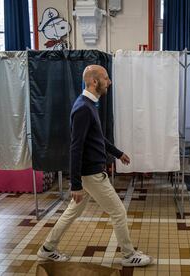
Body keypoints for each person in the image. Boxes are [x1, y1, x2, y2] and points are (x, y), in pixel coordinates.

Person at [37, 65, 152, 267]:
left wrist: (118, 154)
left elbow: (97, 138)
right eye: (106, 78)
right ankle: (128, 255)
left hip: (89, 174)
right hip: (91, 174)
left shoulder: (89, 105)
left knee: (73, 212)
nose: (109, 82)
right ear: (94, 81)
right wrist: (75, 184)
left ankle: (47, 249)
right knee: (118, 212)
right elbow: (76, 148)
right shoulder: (83, 108)